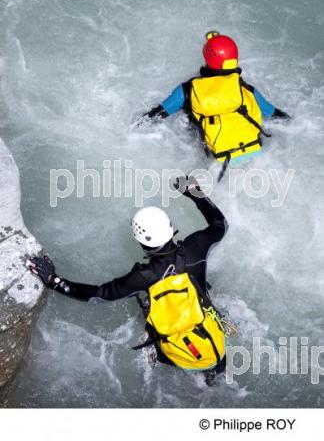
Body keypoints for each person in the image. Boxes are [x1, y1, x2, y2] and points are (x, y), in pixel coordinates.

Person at [28, 177, 229, 384]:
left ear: (140, 241)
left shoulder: (142, 277)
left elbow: (97, 295)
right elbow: (220, 224)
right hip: (215, 342)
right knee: (214, 377)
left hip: (179, 355)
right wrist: (194, 191)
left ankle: (159, 355)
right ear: (170, 227)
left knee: (160, 337)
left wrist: (53, 280)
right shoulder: (196, 246)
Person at [138, 31, 291, 180]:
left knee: (187, 121)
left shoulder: (187, 90)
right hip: (256, 157)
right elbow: (277, 116)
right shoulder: (247, 89)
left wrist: (133, 127)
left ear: (208, 61)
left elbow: (156, 116)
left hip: (218, 163)